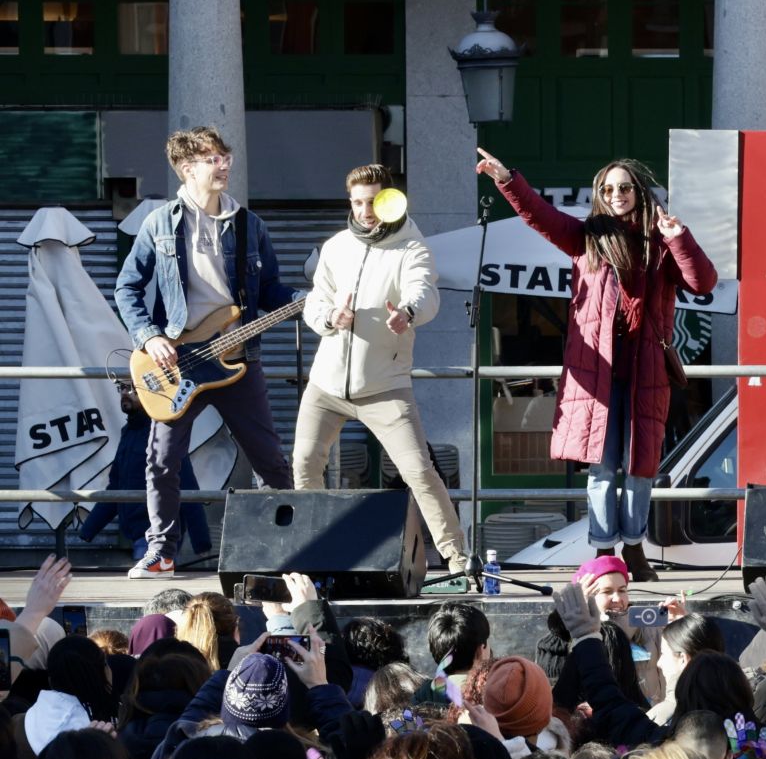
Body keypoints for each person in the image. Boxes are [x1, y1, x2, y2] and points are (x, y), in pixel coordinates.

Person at [475, 146, 717, 583]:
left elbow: (703, 282)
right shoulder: (586, 237)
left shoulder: (661, 243)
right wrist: (506, 179)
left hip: (646, 371)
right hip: (596, 372)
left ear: (639, 193)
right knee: (603, 469)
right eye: (609, 188)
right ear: (600, 196)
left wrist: (678, 237)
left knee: (641, 466)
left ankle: (635, 547)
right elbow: (539, 216)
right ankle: (605, 551)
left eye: (625, 187)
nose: (618, 193)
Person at [116, 125, 299, 578]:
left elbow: (272, 288)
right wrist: (150, 336)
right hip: (178, 357)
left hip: (239, 358)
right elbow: (127, 287)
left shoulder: (249, 225)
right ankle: (161, 552)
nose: (224, 165)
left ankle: (290, 548)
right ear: (186, 167)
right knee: (160, 460)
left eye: (225, 156)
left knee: (271, 461)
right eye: (212, 158)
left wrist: (307, 301)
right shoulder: (159, 223)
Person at [292, 163, 465, 575]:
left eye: (372, 201)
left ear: (390, 200)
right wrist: (331, 317)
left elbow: (425, 291)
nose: (364, 211)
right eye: (356, 202)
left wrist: (407, 313)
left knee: (419, 471)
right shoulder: (335, 247)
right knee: (303, 464)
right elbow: (315, 301)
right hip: (327, 384)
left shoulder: (412, 248)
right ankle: (315, 556)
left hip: (385, 386)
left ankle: (458, 560)